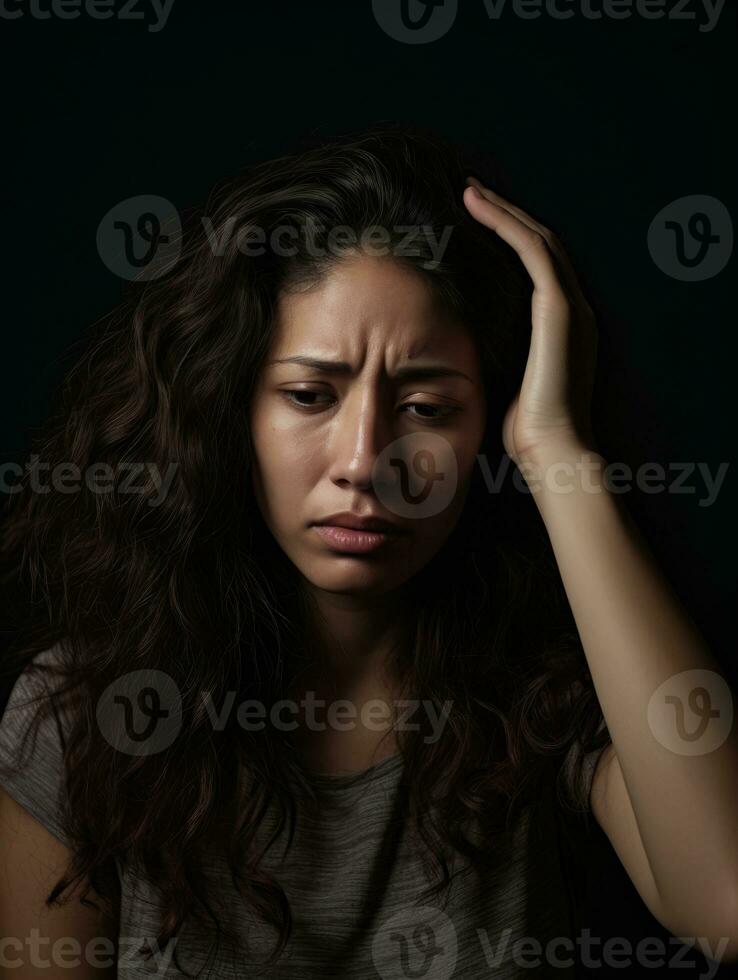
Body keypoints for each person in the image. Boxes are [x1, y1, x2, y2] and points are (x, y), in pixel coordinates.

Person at [0, 124, 735, 979]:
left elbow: (723, 904)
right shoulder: (86, 713)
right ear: (230, 412)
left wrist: (556, 449)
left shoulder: (547, 688)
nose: (363, 463)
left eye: (427, 408)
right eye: (310, 395)